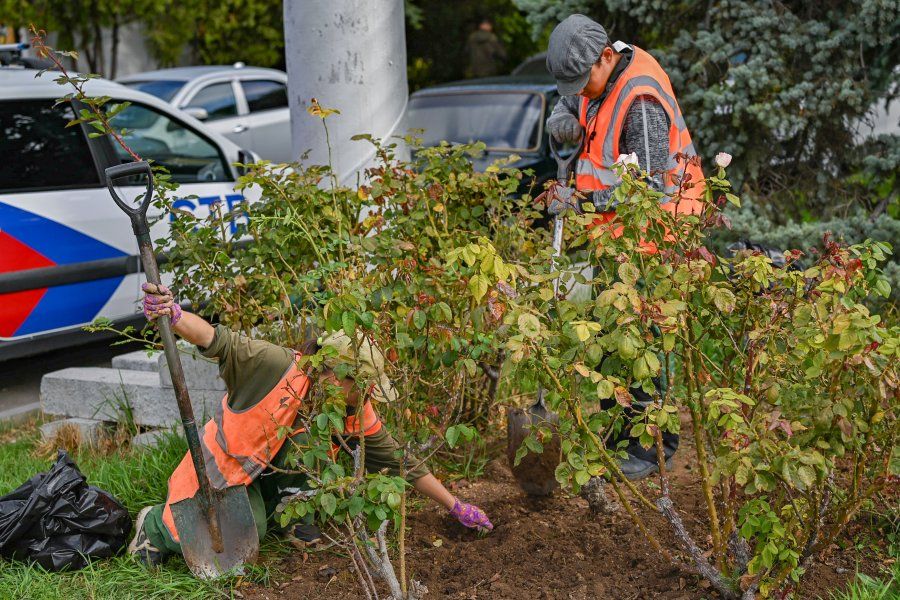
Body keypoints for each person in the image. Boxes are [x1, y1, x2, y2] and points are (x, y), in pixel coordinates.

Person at [128, 283, 492, 567]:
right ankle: (153, 529)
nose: (368, 398)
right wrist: (174, 315)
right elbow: (215, 340)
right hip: (223, 468)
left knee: (312, 446)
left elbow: (400, 461)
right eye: (362, 387)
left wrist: (454, 504)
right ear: (335, 374)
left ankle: (292, 515)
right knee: (227, 552)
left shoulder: (353, 408)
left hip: (268, 473)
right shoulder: (273, 366)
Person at [538, 14, 706, 480]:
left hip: (658, 231)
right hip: (617, 233)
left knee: (641, 336)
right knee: (614, 331)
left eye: (580, 83)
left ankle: (653, 446)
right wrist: (563, 114)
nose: (578, 91)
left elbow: (647, 190)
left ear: (606, 58)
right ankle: (621, 433)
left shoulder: (642, 100)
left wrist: (581, 199)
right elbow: (572, 98)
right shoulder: (597, 76)